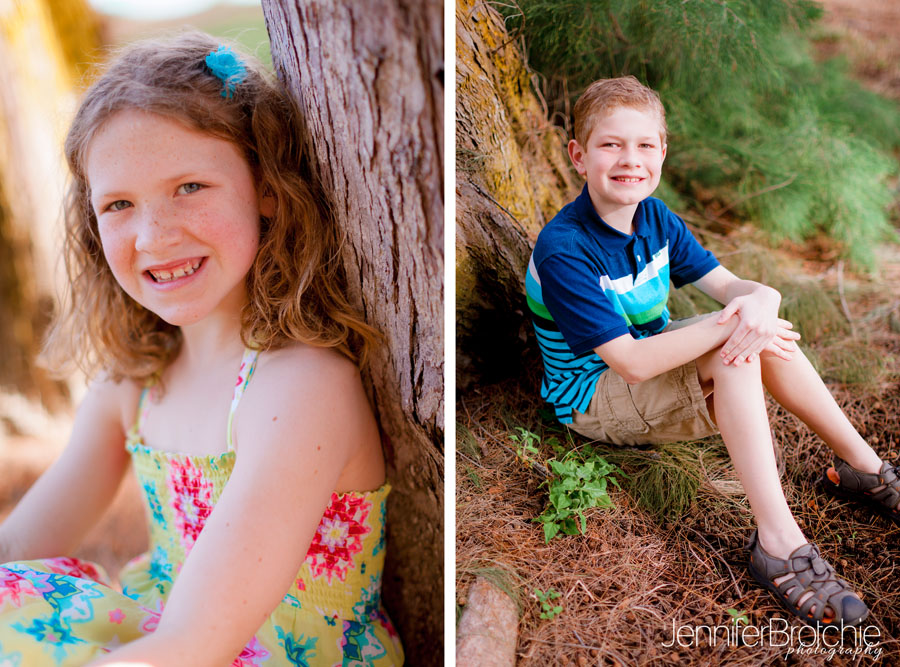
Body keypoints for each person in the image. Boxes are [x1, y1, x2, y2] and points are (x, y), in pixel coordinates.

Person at [0, 31, 403, 665]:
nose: (154, 235)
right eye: (120, 203)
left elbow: (196, 645)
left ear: (266, 188)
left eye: (190, 186)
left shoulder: (299, 387)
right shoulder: (134, 380)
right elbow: (19, 544)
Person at [526, 75, 899, 628]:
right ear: (580, 156)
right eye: (611, 145)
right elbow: (631, 362)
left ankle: (866, 468)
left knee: (757, 332)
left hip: (649, 356)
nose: (630, 159)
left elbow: (731, 288)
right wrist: (739, 324)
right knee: (740, 345)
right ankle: (777, 541)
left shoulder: (655, 218)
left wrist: (763, 298)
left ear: (662, 153)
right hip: (595, 394)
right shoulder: (564, 250)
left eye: (645, 145)